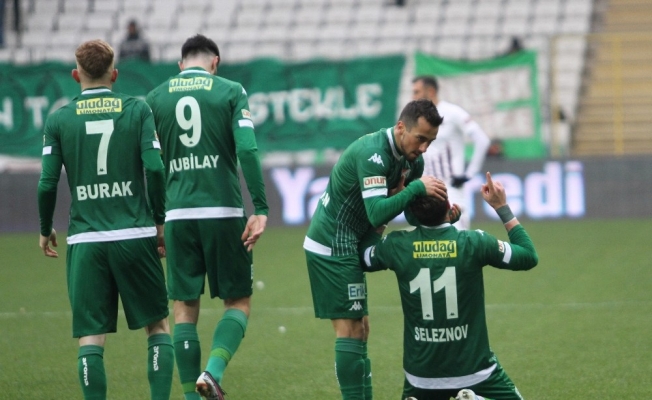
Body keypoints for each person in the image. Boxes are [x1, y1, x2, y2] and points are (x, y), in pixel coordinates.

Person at [37, 39, 173, 400]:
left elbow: (47, 182)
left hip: (86, 241)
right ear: (114, 74)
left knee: (90, 338)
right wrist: (159, 222)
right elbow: (155, 169)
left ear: (75, 75)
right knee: (158, 327)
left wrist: (44, 228)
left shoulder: (59, 119)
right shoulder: (138, 110)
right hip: (134, 234)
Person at [146, 34, 268, 400]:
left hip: (178, 214)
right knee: (238, 301)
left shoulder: (155, 98)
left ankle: (189, 396)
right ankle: (212, 373)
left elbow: (152, 166)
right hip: (223, 211)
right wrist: (260, 208)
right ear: (216, 62)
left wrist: (158, 219)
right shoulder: (230, 90)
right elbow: (248, 149)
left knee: (184, 307)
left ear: (180, 64)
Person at [304, 99, 449, 400]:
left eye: (430, 141)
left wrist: (442, 216)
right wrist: (415, 189)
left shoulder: (413, 161)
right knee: (350, 331)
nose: (424, 148)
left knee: (362, 330)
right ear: (401, 127)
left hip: (352, 242)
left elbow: (411, 213)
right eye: (420, 138)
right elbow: (376, 213)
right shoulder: (373, 154)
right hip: (331, 243)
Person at [359, 172, 539, 400]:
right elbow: (528, 256)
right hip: (474, 371)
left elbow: (364, 257)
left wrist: (387, 212)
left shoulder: (397, 245)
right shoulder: (474, 242)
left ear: (411, 212)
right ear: (449, 207)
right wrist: (501, 207)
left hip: (420, 377)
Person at [412, 76, 491, 230]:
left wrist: (468, 174)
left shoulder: (452, 112)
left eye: (417, 92)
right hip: (426, 191)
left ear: (431, 91)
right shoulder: (417, 119)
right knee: (428, 243)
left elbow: (482, 140)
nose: (413, 97)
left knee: (457, 240)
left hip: (451, 189)